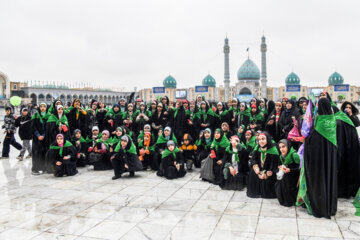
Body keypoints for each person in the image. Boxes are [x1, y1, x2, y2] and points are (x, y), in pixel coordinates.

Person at [297, 98, 338, 219]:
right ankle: (329, 206)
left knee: (319, 181)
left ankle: (319, 207)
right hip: (329, 159)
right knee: (328, 179)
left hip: (319, 161)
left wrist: (306, 139)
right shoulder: (333, 121)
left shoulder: (320, 123)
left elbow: (313, 142)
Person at [247, 132, 279, 199]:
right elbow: (253, 159)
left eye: (263, 139)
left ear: (267, 139)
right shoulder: (258, 148)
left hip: (268, 171)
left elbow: (274, 166)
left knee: (267, 182)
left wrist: (266, 174)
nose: (261, 141)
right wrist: (256, 167)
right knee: (252, 172)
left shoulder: (273, 150)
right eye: (259, 139)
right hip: (259, 170)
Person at [275, 139, 300, 207]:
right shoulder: (281, 156)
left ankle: (290, 200)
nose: (281, 149)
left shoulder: (294, 155)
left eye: (283, 147)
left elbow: (300, 169)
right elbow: (280, 166)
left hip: (295, 176)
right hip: (287, 173)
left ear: (288, 146)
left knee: (286, 180)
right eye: (280, 147)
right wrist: (280, 168)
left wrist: (290, 170)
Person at [31, 102, 48, 175]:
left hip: (45, 137)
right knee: (36, 153)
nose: (42, 108)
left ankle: (44, 168)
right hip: (36, 138)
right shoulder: (35, 115)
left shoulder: (48, 116)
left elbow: (48, 127)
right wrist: (38, 135)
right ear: (39, 107)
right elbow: (33, 127)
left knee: (44, 152)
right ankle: (35, 169)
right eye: (41, 106)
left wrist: (44, 135)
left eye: (44, 106)